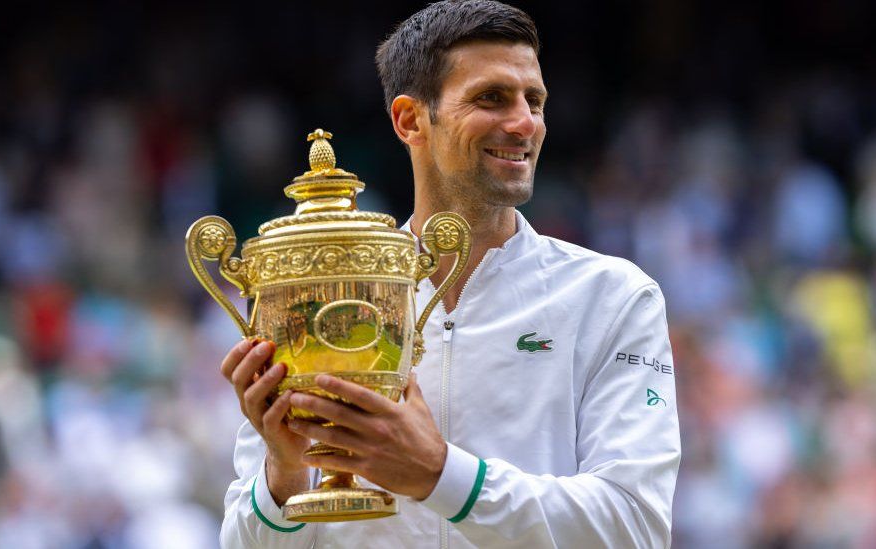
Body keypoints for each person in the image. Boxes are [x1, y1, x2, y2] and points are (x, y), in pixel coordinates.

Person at [219, 1, 680, 547]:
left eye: (534, 100)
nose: (524, 123)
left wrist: (440, 476)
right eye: (492, 98)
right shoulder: (322, 292)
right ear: (410, 120)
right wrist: (286, 474)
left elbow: (636, 527)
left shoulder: (614, 296)